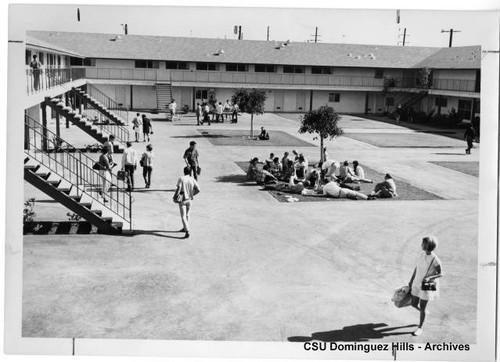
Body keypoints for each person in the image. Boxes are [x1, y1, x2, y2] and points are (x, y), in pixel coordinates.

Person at [408, 236, 443, 337]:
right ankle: (424, 313)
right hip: (416, 283)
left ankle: (420, 327)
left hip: (426, 286)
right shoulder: (422, 255)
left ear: (427, 246)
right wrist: (411, 280)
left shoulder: (435, 259)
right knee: (414, 304)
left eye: (423, 244)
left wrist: (429, 278)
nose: (421, 245)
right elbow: (417, 268)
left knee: (422, 307)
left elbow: (440, 273)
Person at [174, 166, 200, 239]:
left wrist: (175, 197)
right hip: (190, 199)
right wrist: (192, 194)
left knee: (183, 216)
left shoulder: (181, 179)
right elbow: (198, 189)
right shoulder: (192, 179)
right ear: (190, 172)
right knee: (187, 214)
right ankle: (184, 227)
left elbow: (178, 189)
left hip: (183, 199)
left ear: (184, 171)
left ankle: (187, 231)